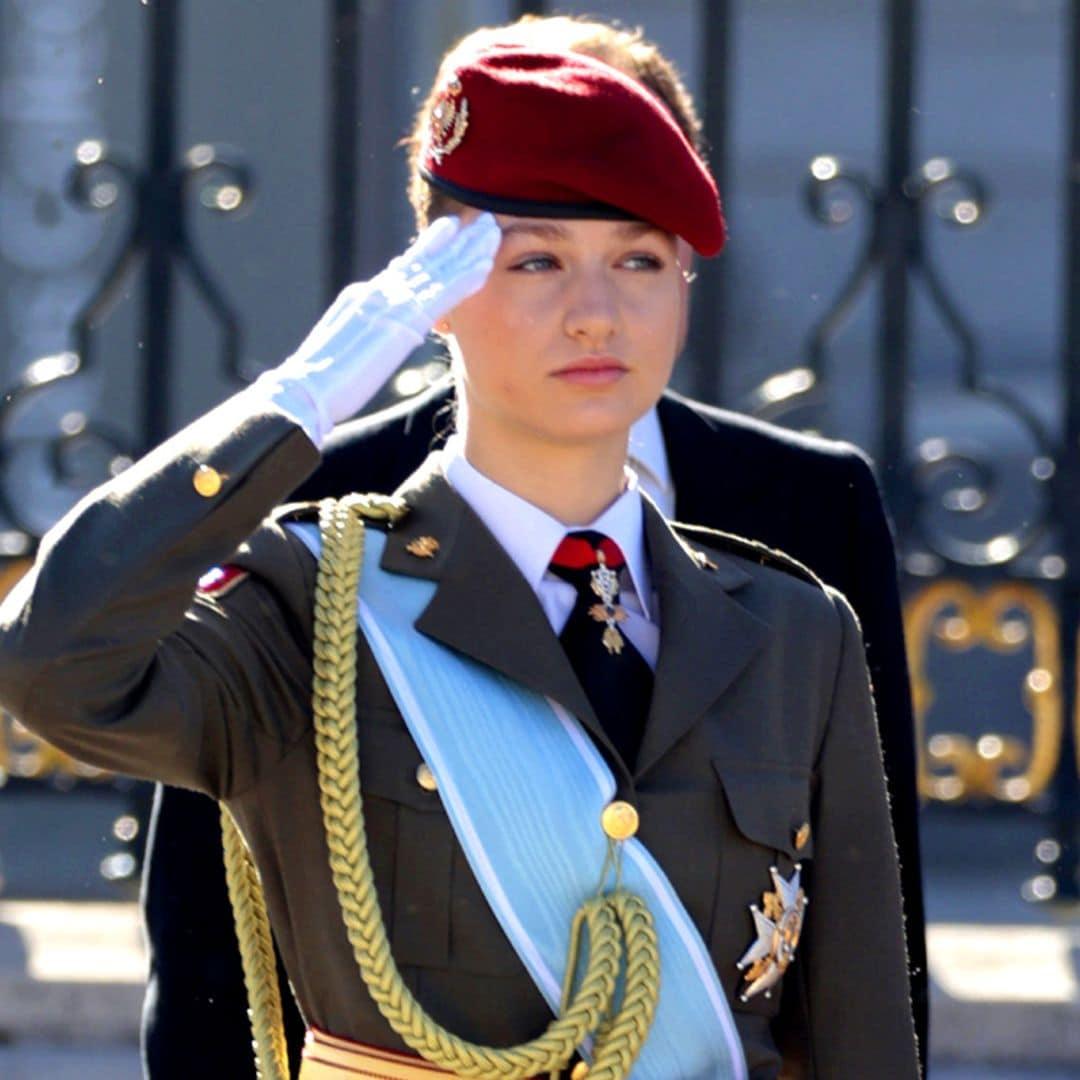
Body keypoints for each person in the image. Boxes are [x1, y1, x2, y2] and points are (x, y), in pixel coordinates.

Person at [0, 33, 919, 1080]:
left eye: (639, 260)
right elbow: (53, 667)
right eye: (535, 261)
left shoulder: (795, 631)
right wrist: (294, 404)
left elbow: (859, 1027)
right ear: (435, 292)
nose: (597, 312)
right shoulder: (309, 604)